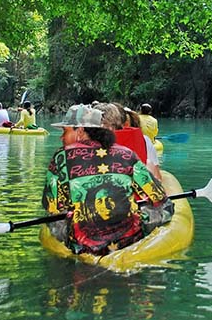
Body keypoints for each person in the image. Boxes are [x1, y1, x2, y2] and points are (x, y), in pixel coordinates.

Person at [42, 104, 172, 255]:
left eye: (65, 131)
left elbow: (51, 206)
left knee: (54, 220)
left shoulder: (61, 157)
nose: (61, 137)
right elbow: (159, 197)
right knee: (164, 208)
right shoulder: (127, 154)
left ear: (81, 130)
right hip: (129, 239)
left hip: (84, 244)